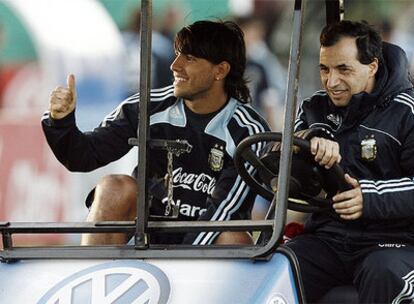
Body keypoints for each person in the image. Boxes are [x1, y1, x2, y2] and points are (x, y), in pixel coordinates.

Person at [42, 20, 270, 246]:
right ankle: (94, 277)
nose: (175, 66)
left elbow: (223, 214)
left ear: (220, 70)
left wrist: (175, 267)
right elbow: (83, 156)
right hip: (144, 239)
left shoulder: (249, 131)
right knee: (114, 187)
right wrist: (60, 122)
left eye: (189, 58)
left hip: (205, 251)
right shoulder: (145, 107)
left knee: (233, 237)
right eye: (177, 54)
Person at [283, 20, 414, 303]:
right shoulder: (314, 108)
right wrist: (311, 140)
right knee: (279, 265)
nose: (332, 81)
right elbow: (286, 162)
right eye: (324, 69)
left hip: (396, 243)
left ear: (373, 66)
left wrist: (370, 197)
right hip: (328, 239)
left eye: (343, 69)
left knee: (384, 271)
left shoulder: (407, 112)